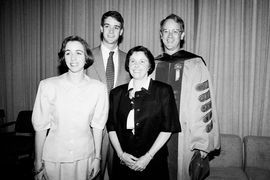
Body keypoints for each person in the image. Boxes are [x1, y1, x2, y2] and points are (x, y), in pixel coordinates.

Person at [32, 35, 108, 180]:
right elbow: (40, 129)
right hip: (53, 159)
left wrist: (97, 158)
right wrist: (37, 164)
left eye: (78, 53)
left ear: (86, 57)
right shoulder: (48, 86)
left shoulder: (98, 88)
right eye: (68, 53)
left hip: (84, 159)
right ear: (63, 57)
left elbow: (98, 127)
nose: (73, 58)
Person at [154, 14, 220, 180]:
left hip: (185, 137)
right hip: (155, 138)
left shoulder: (195, 64)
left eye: (175, 31)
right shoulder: (152, 65)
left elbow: (203, 106)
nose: (170, 36)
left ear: (182, 35)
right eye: (166, 31)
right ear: (160, 35)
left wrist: (202, 144)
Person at [106, 46, 181, 180]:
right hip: (124, 163)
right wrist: (120, 154)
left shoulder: (163, 91)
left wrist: (148, 157)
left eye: (142, 61)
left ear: (149, 66)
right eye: (133, 61)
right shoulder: (116, 94)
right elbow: (111, 127)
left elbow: (168, 128)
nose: (136, 65)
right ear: (128, 65)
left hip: (153, 162)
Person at [86, 11, 130, 180]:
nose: (111, 31)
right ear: (101, 29)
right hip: (91, 128)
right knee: (92, 175)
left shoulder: (129, 60)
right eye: (107, 26)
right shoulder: (86, 56)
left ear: (121, 32)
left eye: (116, 27)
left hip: (119, 129)